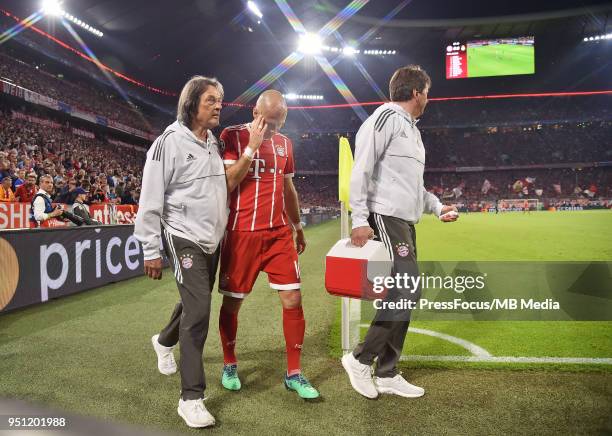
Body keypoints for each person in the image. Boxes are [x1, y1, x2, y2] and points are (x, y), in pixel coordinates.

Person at [135, 76, 263, 428]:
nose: (219, 105)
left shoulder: (212, 144)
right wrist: (149, 248)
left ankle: (163, 342)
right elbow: (149, 200)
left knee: (196, 302)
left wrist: (251, 148)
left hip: (212, 239)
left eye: (220, 99)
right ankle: (191, 398)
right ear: (191, 103)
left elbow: (226, 184)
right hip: (183, 235)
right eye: (211, 100)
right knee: (200, 311)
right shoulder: (168, 143)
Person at [342, 65, 458, 399]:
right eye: (428, 92)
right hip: (386, 217)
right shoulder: (385, 118)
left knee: (407, 290)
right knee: (406, 289)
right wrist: (359, 219)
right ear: (416, 92)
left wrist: (438, 208)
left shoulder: (412, 131)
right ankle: (360, 359)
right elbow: (361, 170)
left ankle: (388, 372)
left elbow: (415, 189)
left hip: (405, 222)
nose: (428, 98)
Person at [216, 90, 319, 399]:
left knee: (293, 299)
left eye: (278, 123)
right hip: (241, 234)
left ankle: (295, 373)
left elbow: (288, 188)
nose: (272, 129)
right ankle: (230, 363)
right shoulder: (231, 136)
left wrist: (297, 226)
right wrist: (253, 146)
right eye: (267, 122)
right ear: (255, 112)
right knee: (233, 302)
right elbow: (228, 182)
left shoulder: (286, 144)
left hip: (278, 236)